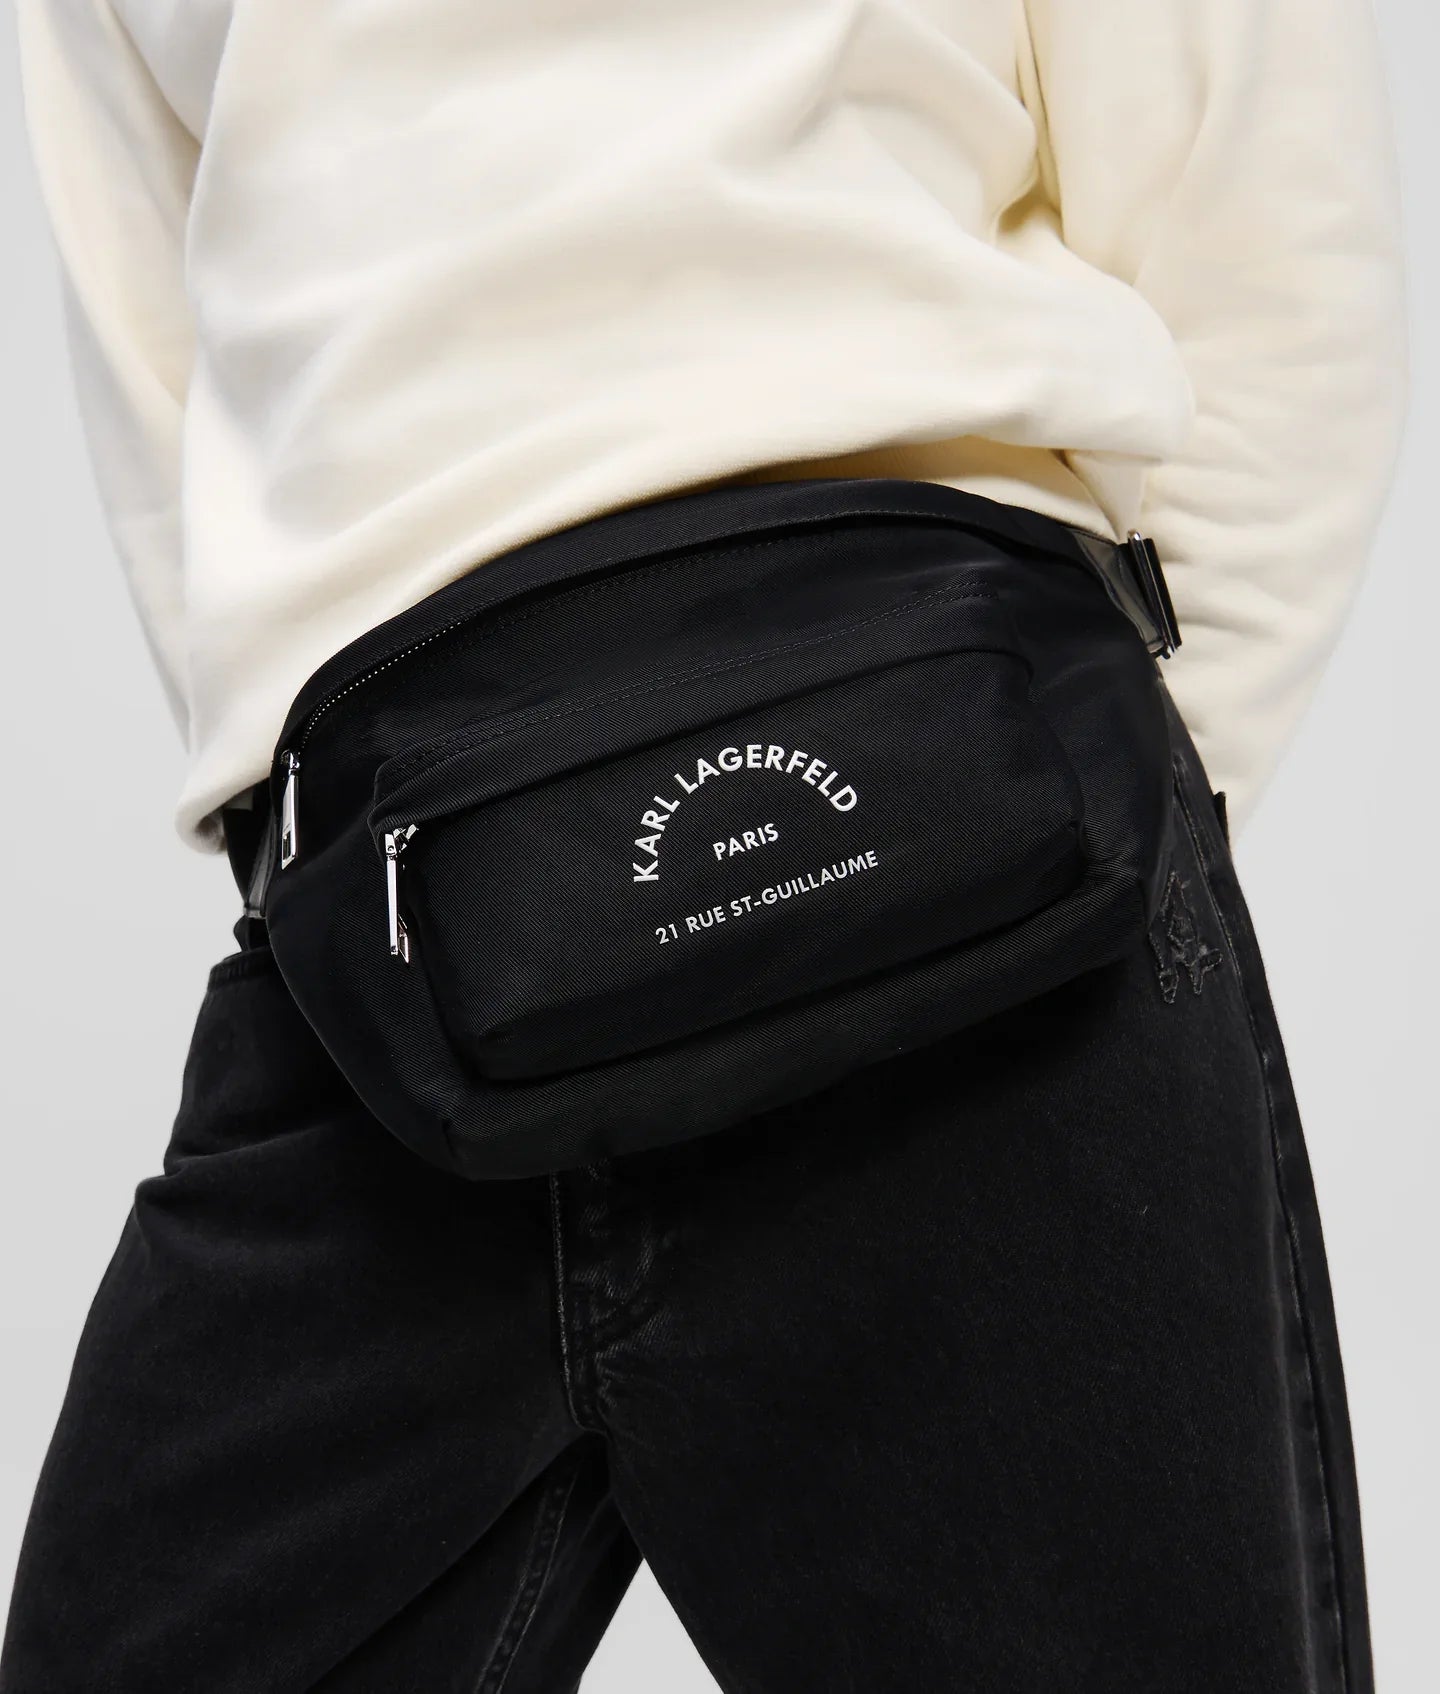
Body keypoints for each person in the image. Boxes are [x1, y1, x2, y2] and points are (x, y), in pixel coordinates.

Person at [3, 2, 1406, 1690]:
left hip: (983, 901)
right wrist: (300, 865)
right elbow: (159, 326)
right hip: (409, 923)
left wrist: (1108, 828)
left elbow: (1268, 228)